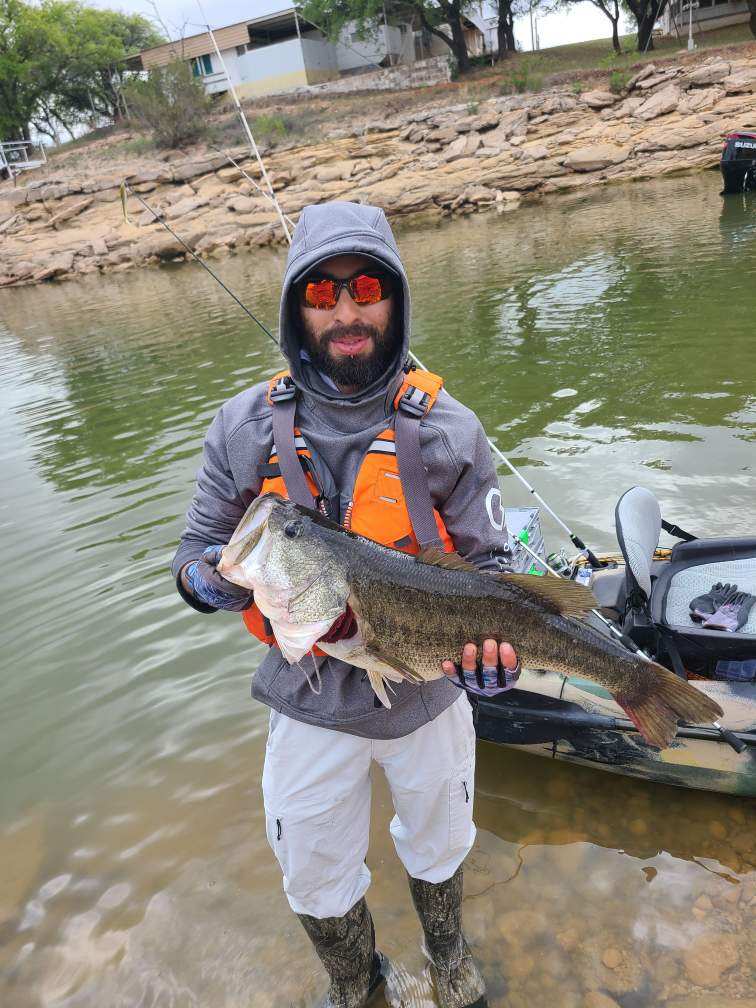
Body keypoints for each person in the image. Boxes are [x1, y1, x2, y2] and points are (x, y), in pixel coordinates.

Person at [171, 202, 519, 1008]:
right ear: (297, 306)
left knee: (441, 843)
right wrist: (212, 581)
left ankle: (448, 960)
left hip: (429, 692)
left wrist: (495, 667)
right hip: (306, 696)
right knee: (312, 872)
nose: (346, 311)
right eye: (321, 293)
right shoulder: (241, 428)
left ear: (394, 297)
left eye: (365, 288)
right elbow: (193, 554)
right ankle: (358, 985)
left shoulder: (451, 431)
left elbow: (494, 569)